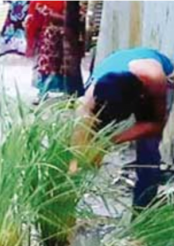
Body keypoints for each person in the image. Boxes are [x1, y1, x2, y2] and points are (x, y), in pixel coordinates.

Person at [73, 48, 174, 209]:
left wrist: (109, 141)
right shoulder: (89, 99)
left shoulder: (154, 79)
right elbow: (77, 149)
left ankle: (142, 211)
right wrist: (80, 161)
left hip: (158, 79)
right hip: (119, 75)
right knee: (86, 143)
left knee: (149, 150)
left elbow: (155, 126)